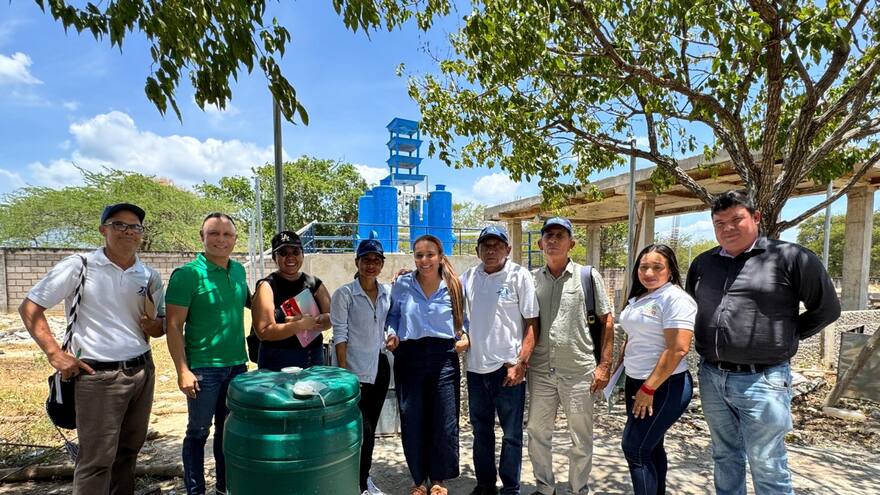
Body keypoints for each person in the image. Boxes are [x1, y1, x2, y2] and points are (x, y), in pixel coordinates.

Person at [685, 190, 841, 495]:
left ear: (756, 217)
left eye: (736, 220)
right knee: (724, 456)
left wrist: (788, 335)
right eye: (719, 223)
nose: (728, 228)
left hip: (763, 380)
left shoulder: (791, 258)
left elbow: (827, 309)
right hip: (712, 376)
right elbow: (692, 306)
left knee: (767, 463)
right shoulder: (703, 263)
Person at [19, 203, 165, 494]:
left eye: (135, 227)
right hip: (97, 377)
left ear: (141, 234)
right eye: (119, 224)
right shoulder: (80, 266)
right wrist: (55, 354)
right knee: (96, 461)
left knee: (128, 453)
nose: (128, 231)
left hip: (141, 372)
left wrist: (154, 326)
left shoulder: (148, 275)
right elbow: (30, 307)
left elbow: (160, 326)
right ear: (103, 230)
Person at [527, 217, 614, 495]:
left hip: (578, 372)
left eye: (560, 236)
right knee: (537, 433)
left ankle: (578, 489)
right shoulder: (531, 280)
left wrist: (604, 366)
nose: (553, 240)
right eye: (548, 235)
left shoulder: (587, 277)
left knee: (580, 437)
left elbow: (607, 321)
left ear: (571, 243)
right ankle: (545, 488)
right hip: (541, 371)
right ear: (540, 243)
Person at [165, 213, 249, 495]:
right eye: (214, 233)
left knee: (228, 433)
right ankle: (196, 490)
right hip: (203, 369)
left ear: (235, 240)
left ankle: (224, 489)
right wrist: (183, 370)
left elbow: (253, 303)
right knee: (198, 433)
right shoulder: (187, 275)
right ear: (202, 237)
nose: (221, 240)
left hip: (237, 366)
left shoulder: (238, 271)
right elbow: (173, 326)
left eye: (227, 234)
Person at [385, 234, 468, 495]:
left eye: (430, 254)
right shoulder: (402, 284)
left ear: (440, 256)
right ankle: (419, 480)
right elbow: (393, 315)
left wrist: (465, 336)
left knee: (443, 419)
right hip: (409, 355)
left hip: (444, 357)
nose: (424, 260)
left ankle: (439, 480)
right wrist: (391, 333)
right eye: (419, 255)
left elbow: (464, 318)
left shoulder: (454, 285)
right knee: (413, 418)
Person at [460, 225, 539, 495]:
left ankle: (511, 487)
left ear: (508, 249)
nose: (491, 250)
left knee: (512, 434)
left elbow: (532, 323)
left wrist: (521, 363)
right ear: (477, 250)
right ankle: (485, 485)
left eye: (497, 245)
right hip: (476, 370)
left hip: (509, 370)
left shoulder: (519, 275)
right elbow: (442, 286)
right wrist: (406, 276)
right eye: (486, 245)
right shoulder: (469, 277)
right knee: (481, 432)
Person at [617, 244, 695, 494]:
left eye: (657, 267)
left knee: (635, 448)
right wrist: (617, 371)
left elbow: (678, 349)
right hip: (636, 381)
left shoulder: (675, 299)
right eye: (643, 267)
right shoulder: (641, 297)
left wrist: (648, 389)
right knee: (651, 448)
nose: (649, 272)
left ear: (670, 270)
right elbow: (633, 337)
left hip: (663, 385)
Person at [331, 239, 393, 495]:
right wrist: (345, 373)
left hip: (379, 367)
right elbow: (340, 334)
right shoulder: (345, 294)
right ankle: (352, 482)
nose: (371, 265)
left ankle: (363, 481)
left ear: (382, 264)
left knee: (370, 430)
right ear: (357, 262)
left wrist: (392, 335)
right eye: (366, 259)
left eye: (376, 260)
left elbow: (389, 323)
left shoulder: (387, 292)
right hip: (354, 370)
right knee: (358, 429)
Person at [251, 230, 331, 370]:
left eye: (295, 252)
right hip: (277, 360)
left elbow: (331, 319)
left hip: (313, 357)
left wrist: (317, 320)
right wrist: (299, 325)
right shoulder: (267, 286)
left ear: (302, 254)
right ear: (275, 258)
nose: (290, 257)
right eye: (283, 253)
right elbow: (263, 332)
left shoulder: (314, 283)